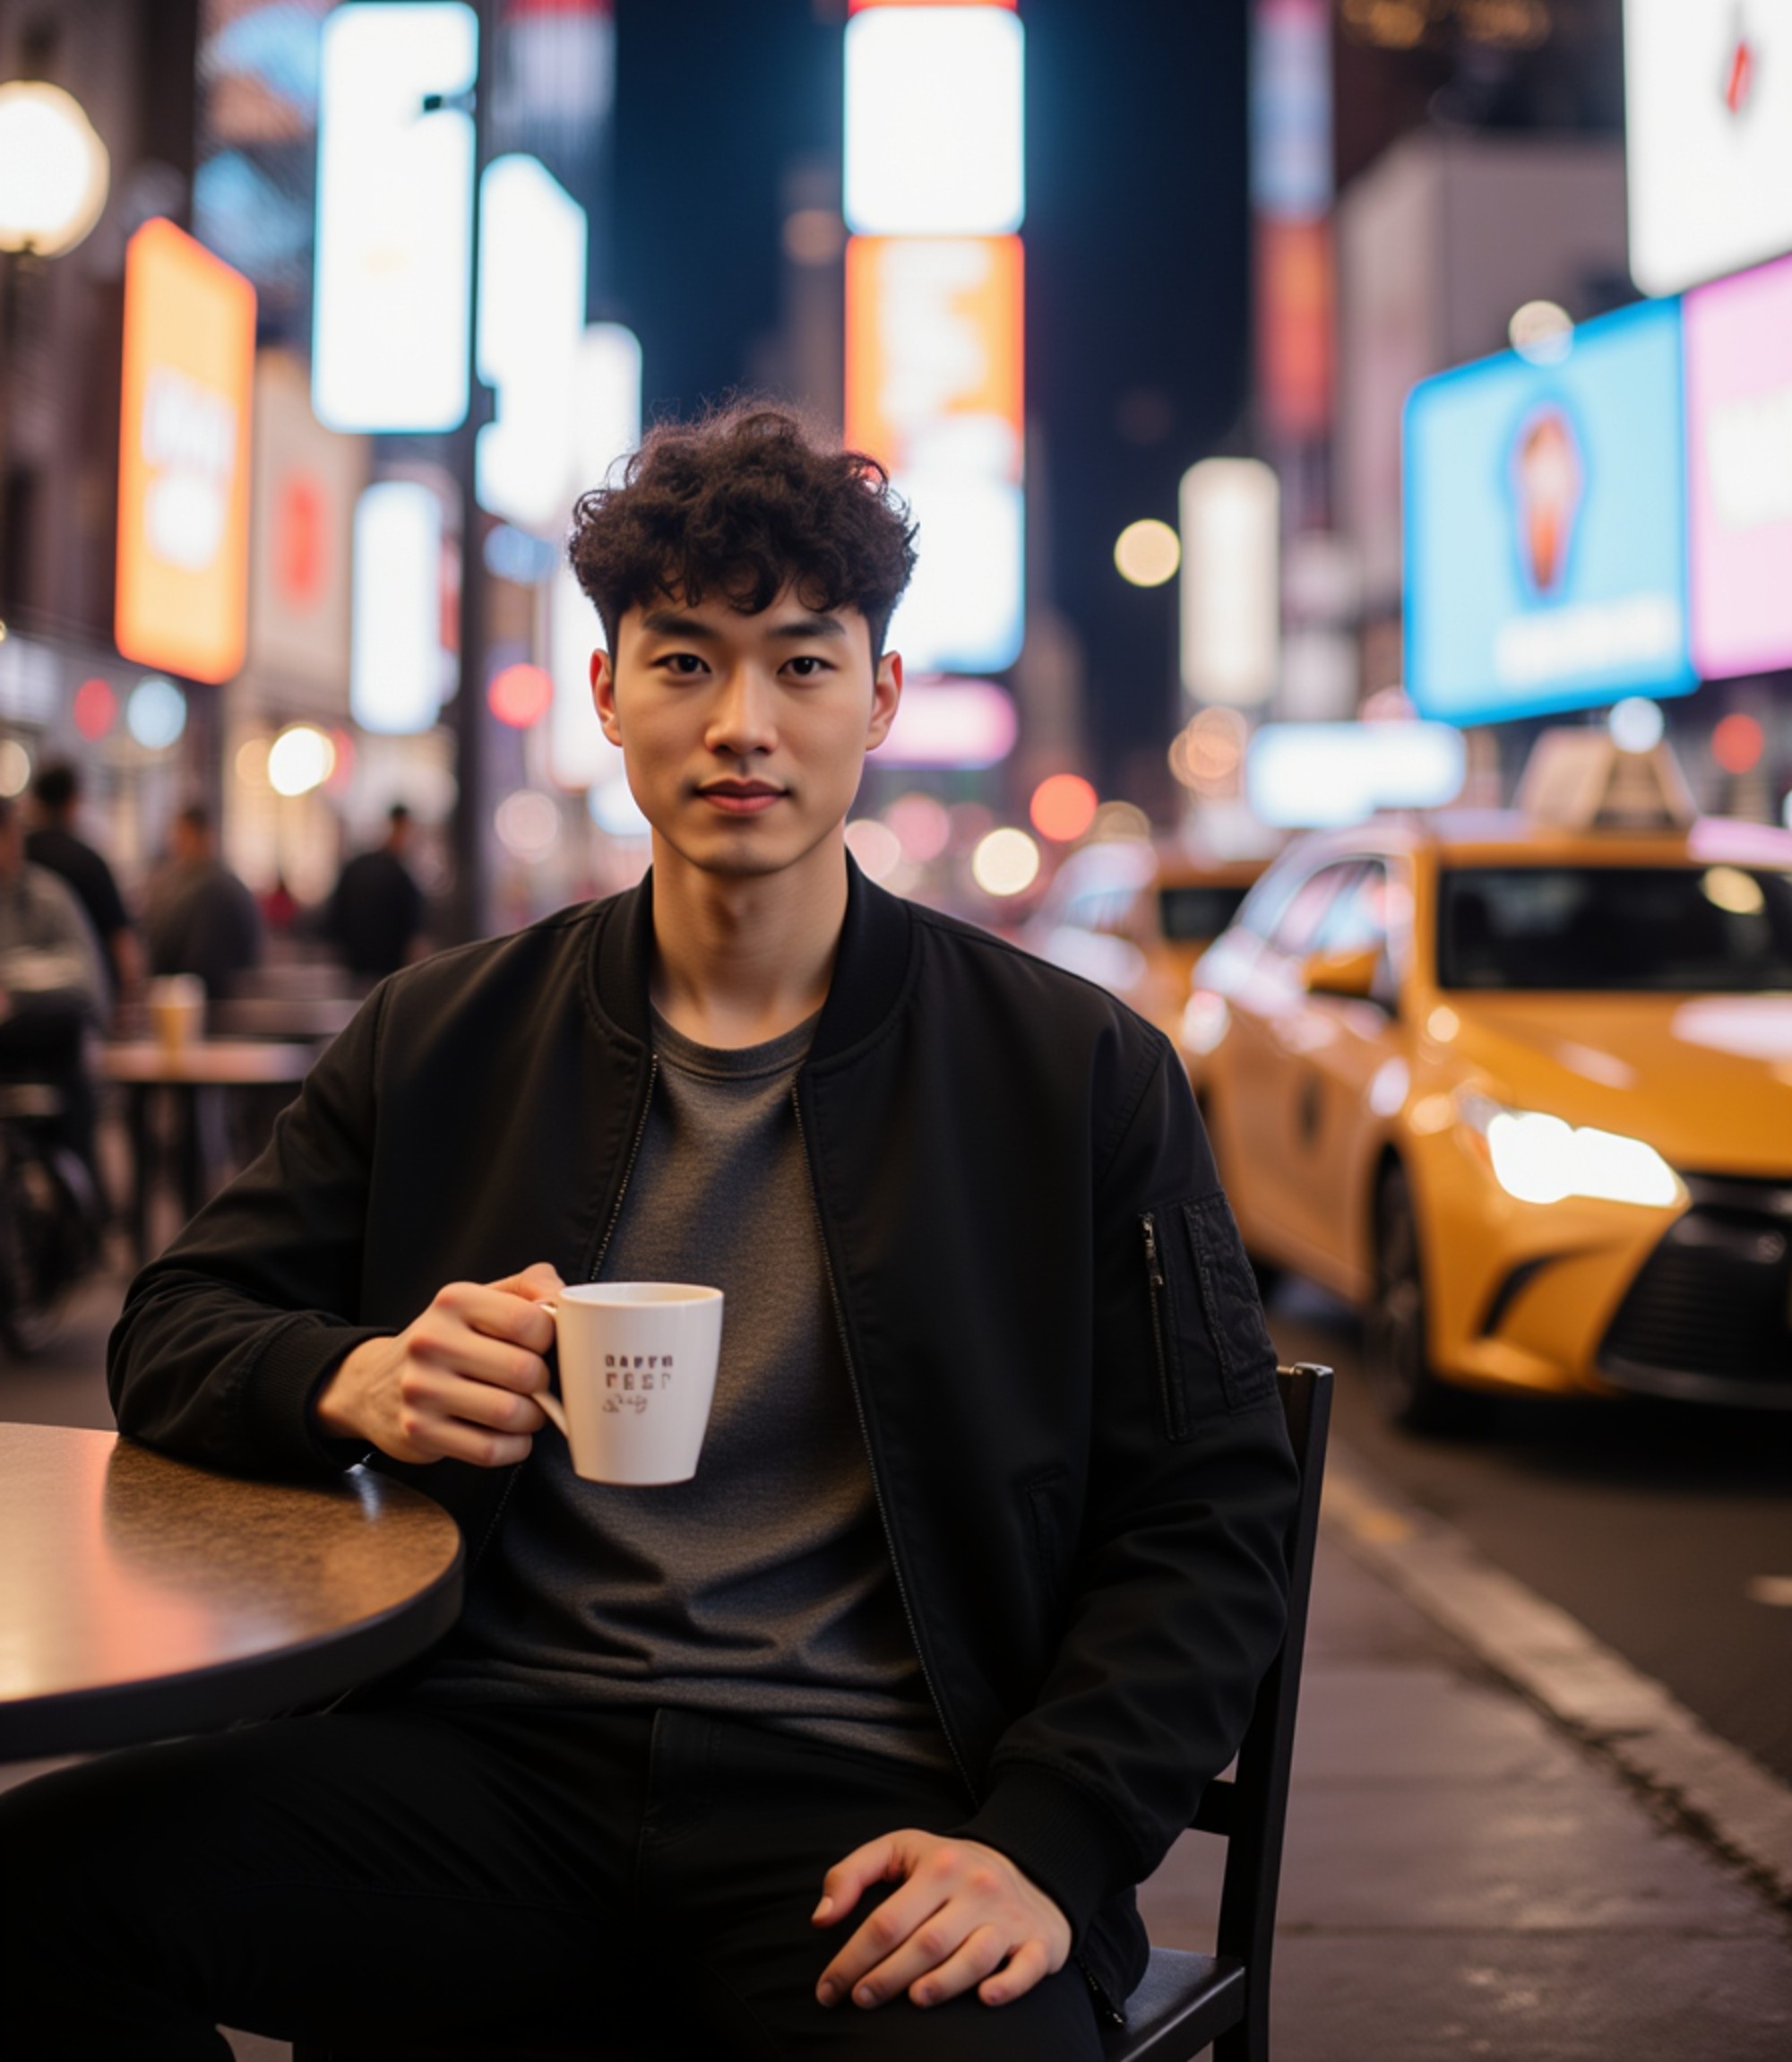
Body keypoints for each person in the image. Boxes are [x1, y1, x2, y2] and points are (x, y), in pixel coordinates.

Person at [0, 405, 1298, 2059]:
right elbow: (170, 1329)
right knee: (29, 1901)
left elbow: (1210, 1504)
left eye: (803, 665)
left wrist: (1045, 1838)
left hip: (875, 1809)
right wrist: (360, 1380)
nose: (742, 724)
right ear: (607, 693)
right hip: (481, 1764)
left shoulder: (1074, 1069)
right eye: (685, 662)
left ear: (883, 697)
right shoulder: (445, 1033)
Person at [0, 790, 107, 1175]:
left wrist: (12, 986)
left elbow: (84, 977)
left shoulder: (48, 895)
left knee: (66, 1022)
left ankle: (82, 1196)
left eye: (11, 835)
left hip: (35, 1038)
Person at [24, 759, 142, 1020]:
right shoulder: (89, 862)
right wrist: (129, 1002)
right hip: (82, 1010)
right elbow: (121, 941)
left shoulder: (21, 859)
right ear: (73, 802)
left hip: (19, 1014)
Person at [141, 801, 263, 1002]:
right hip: (206, 1001)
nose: (176, 844)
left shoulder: (213, 889)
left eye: (182, 835)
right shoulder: (196, 882)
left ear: (206, 837)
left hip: (214, 1009)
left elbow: (202, 969)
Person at [323, 802, 427, 980]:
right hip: (389, 975)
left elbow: (334, 922)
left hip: (353, 972)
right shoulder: (399, 875)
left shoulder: (357, 867)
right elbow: (413, 933)